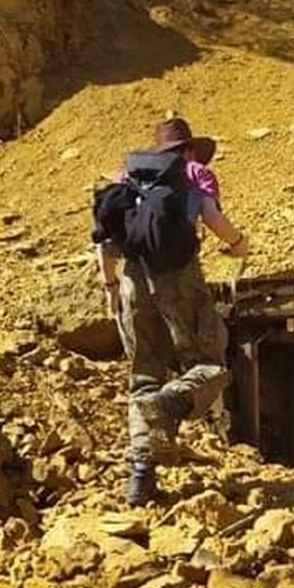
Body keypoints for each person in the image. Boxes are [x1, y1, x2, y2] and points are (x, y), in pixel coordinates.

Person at [97, 117, 251, 506]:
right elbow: (213, 218)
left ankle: (140, 478)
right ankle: (171, 401)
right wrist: (238, 245)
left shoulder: (125, 179)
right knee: (210, 365)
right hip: (179, 280)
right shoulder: (193, 174)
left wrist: (111, 287)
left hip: (132, 279)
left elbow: (103, 239)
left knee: (143, 377)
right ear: (187, 150)